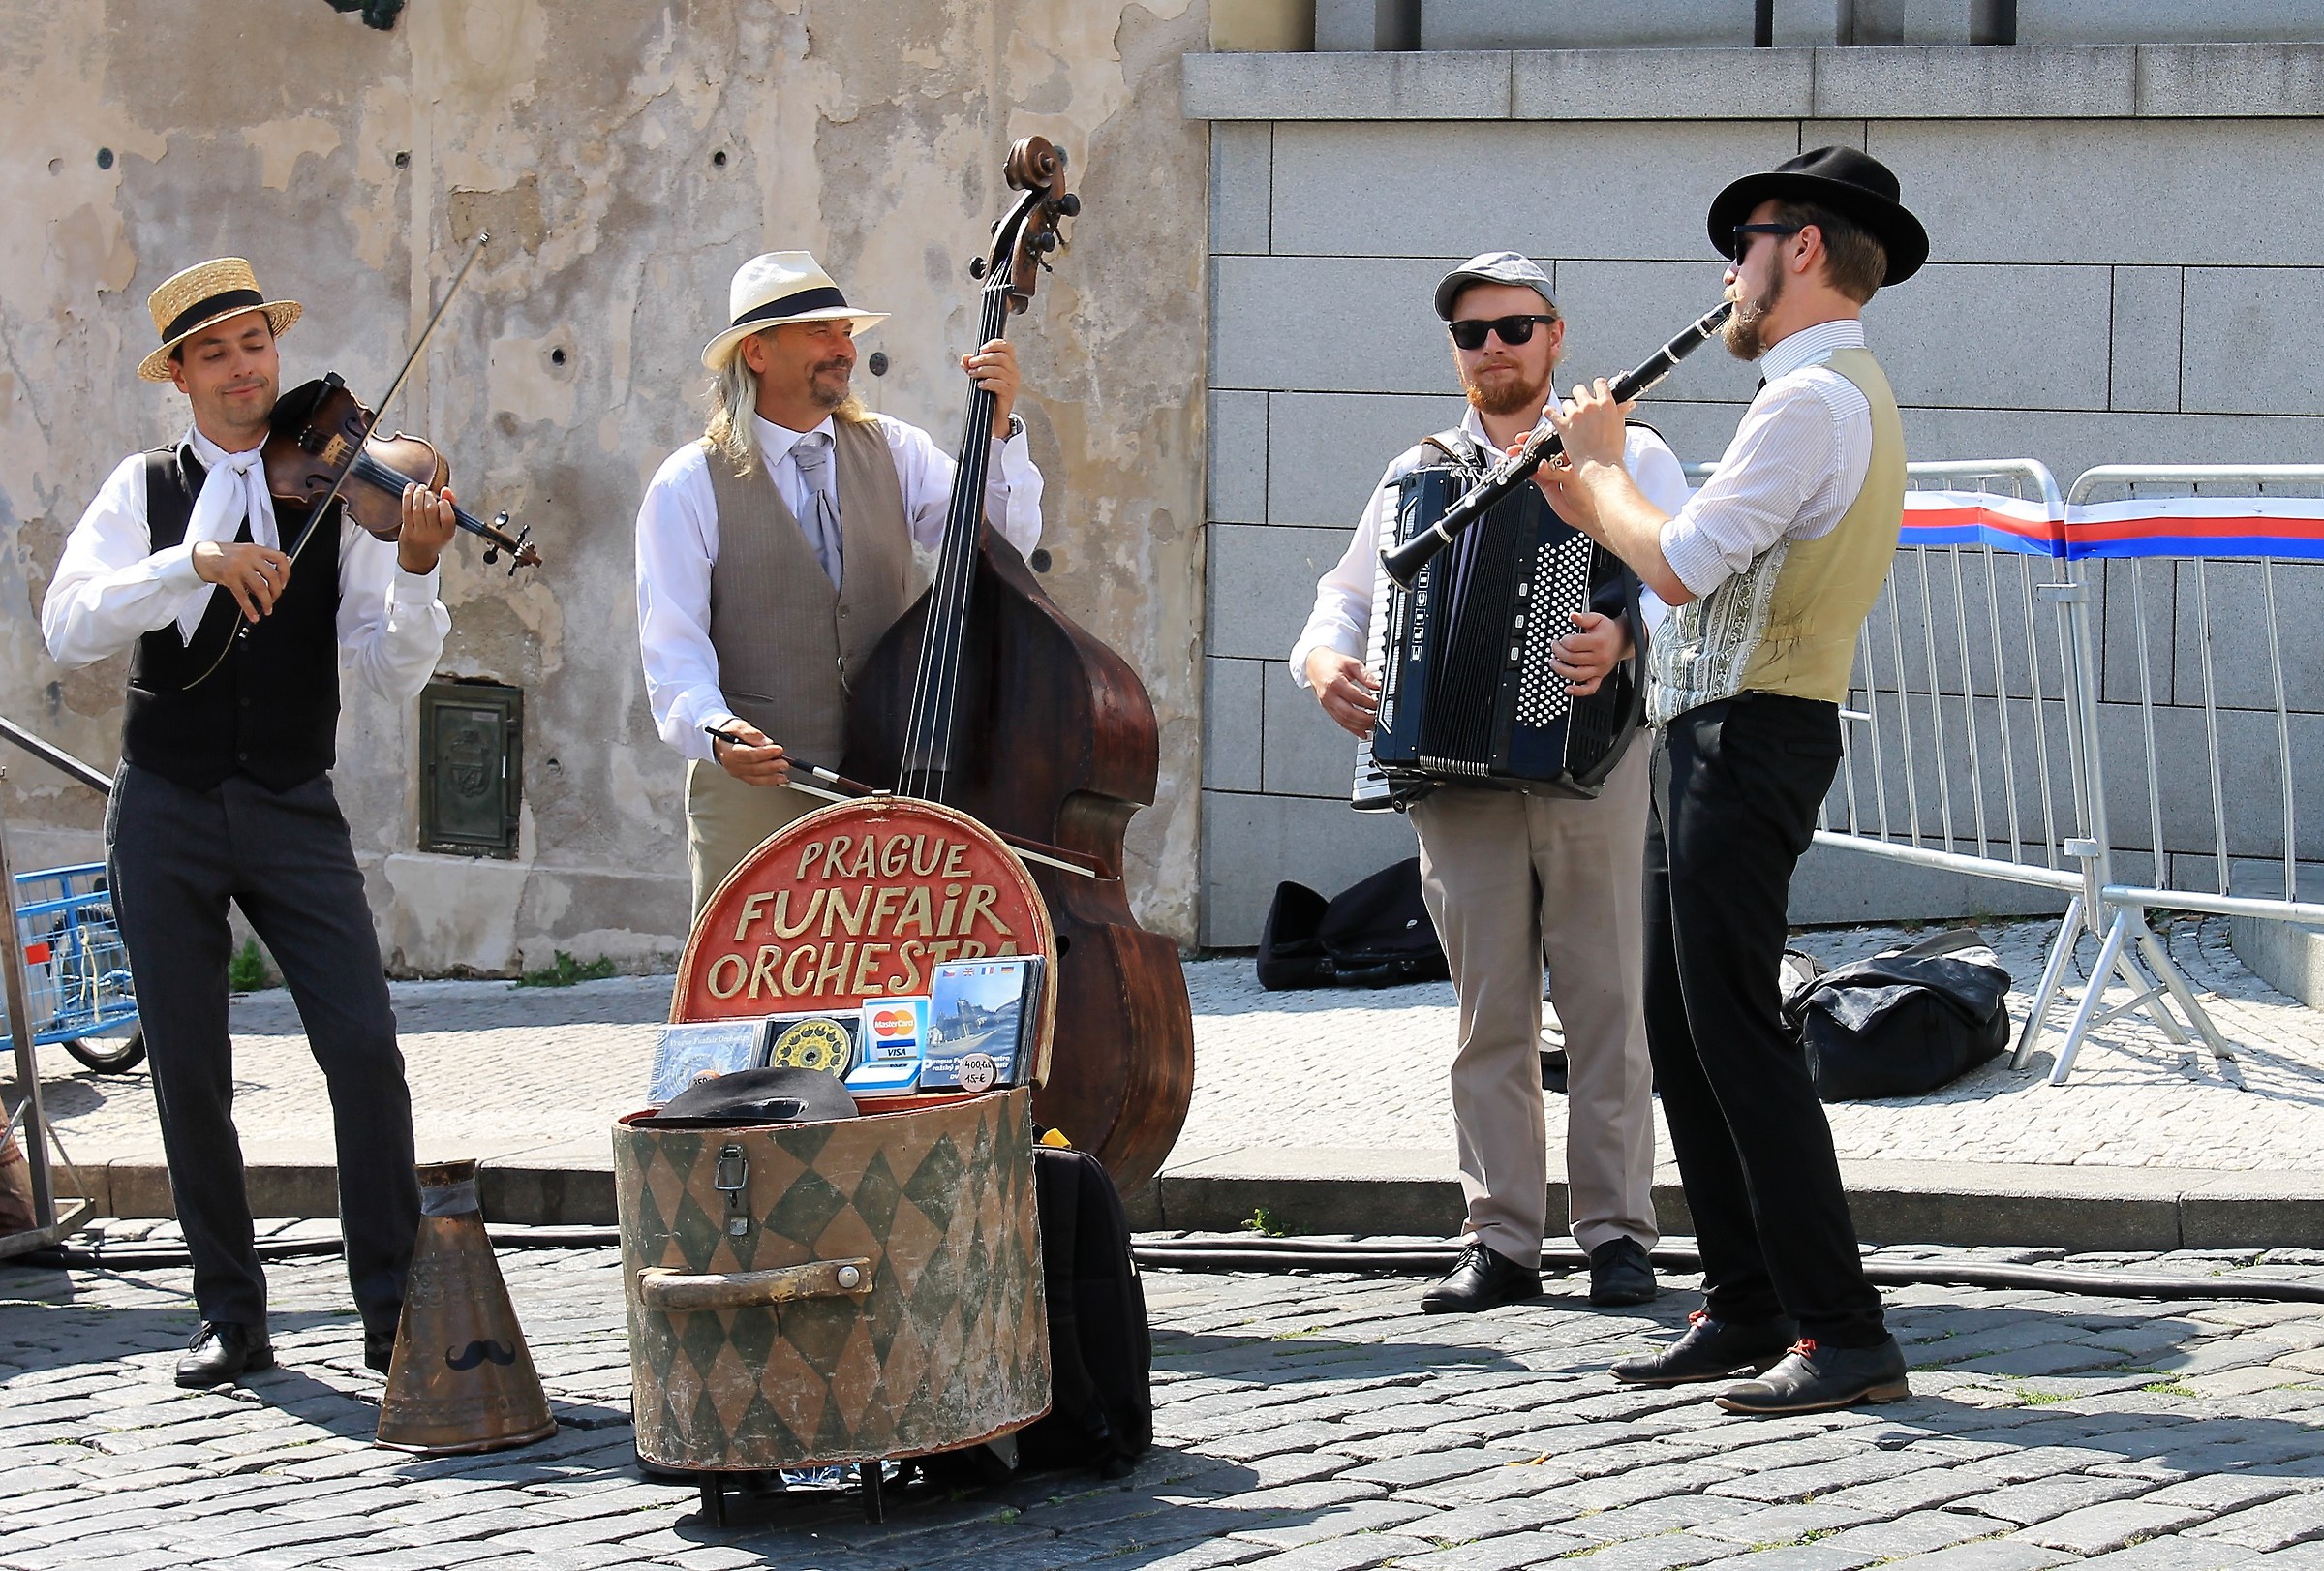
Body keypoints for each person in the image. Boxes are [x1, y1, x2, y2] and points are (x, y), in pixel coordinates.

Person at [1534, 148, 1930, 1413]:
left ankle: (1842, 1325)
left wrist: (1597, 476)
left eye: (1742, 244)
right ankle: (1748, 1298)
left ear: (1799, 247)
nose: (1727, 273)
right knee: (1683, 1020)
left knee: (1738, 1034)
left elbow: (1686, 562)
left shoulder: (1814, 398)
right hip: (1713, 726)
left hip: (1755, 737)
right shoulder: (1807, 394)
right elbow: (1718, 583)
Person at [41, 258, 456, 1387]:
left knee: (366, 1050)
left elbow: (386, 668)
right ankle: (231, 1310)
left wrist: (416, 572)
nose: (244, 370)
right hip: (165, 805)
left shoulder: (334, 488)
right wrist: (193, 562)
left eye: (255, 346)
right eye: (215, 352)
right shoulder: (146, 488)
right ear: (180, 373)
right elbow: (67, 622)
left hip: (289, 801)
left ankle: (389, 1308)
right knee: (190, 1069)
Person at [1293, 252, 1688, 1314]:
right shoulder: (1416, 470)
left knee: (1607, 999)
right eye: (1474, 333)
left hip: (1594, 759)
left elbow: (1696, 579)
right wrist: (1324, 664)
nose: (1495, 347)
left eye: (1516, 326)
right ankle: (1501, 1237)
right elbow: (1341, 600)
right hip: (1455, 777)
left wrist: (1625, 636)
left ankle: (1616, 1232)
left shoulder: (1627, 450)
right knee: (1488, 1014)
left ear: (1557, 335)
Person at [635, 252, 1044, 913]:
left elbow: (998, 549)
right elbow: (672, 649)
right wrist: (717, 731)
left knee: (890, 985)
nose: (842, 348)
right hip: (754, 798)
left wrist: (996, 433)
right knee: (754, 989)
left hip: (892, 769)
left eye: (846, 333)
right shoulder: (688, 483)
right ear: (758, 352)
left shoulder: (895, 449)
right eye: (819, 331)